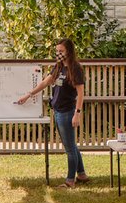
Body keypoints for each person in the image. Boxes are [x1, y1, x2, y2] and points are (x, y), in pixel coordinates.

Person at [16, 38, 88, 188]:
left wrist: (77, 113)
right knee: (71, 145)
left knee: (69, 149)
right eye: (57, 51)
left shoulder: (75, 69)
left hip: (67, 112)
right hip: (58, 111)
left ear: (69, 52)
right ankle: (81, 175)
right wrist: (28, 95)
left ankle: (70, 181)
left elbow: (81, 93)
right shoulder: (58, 67)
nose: (58, 53)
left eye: (61, 51)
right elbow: (45, 82)